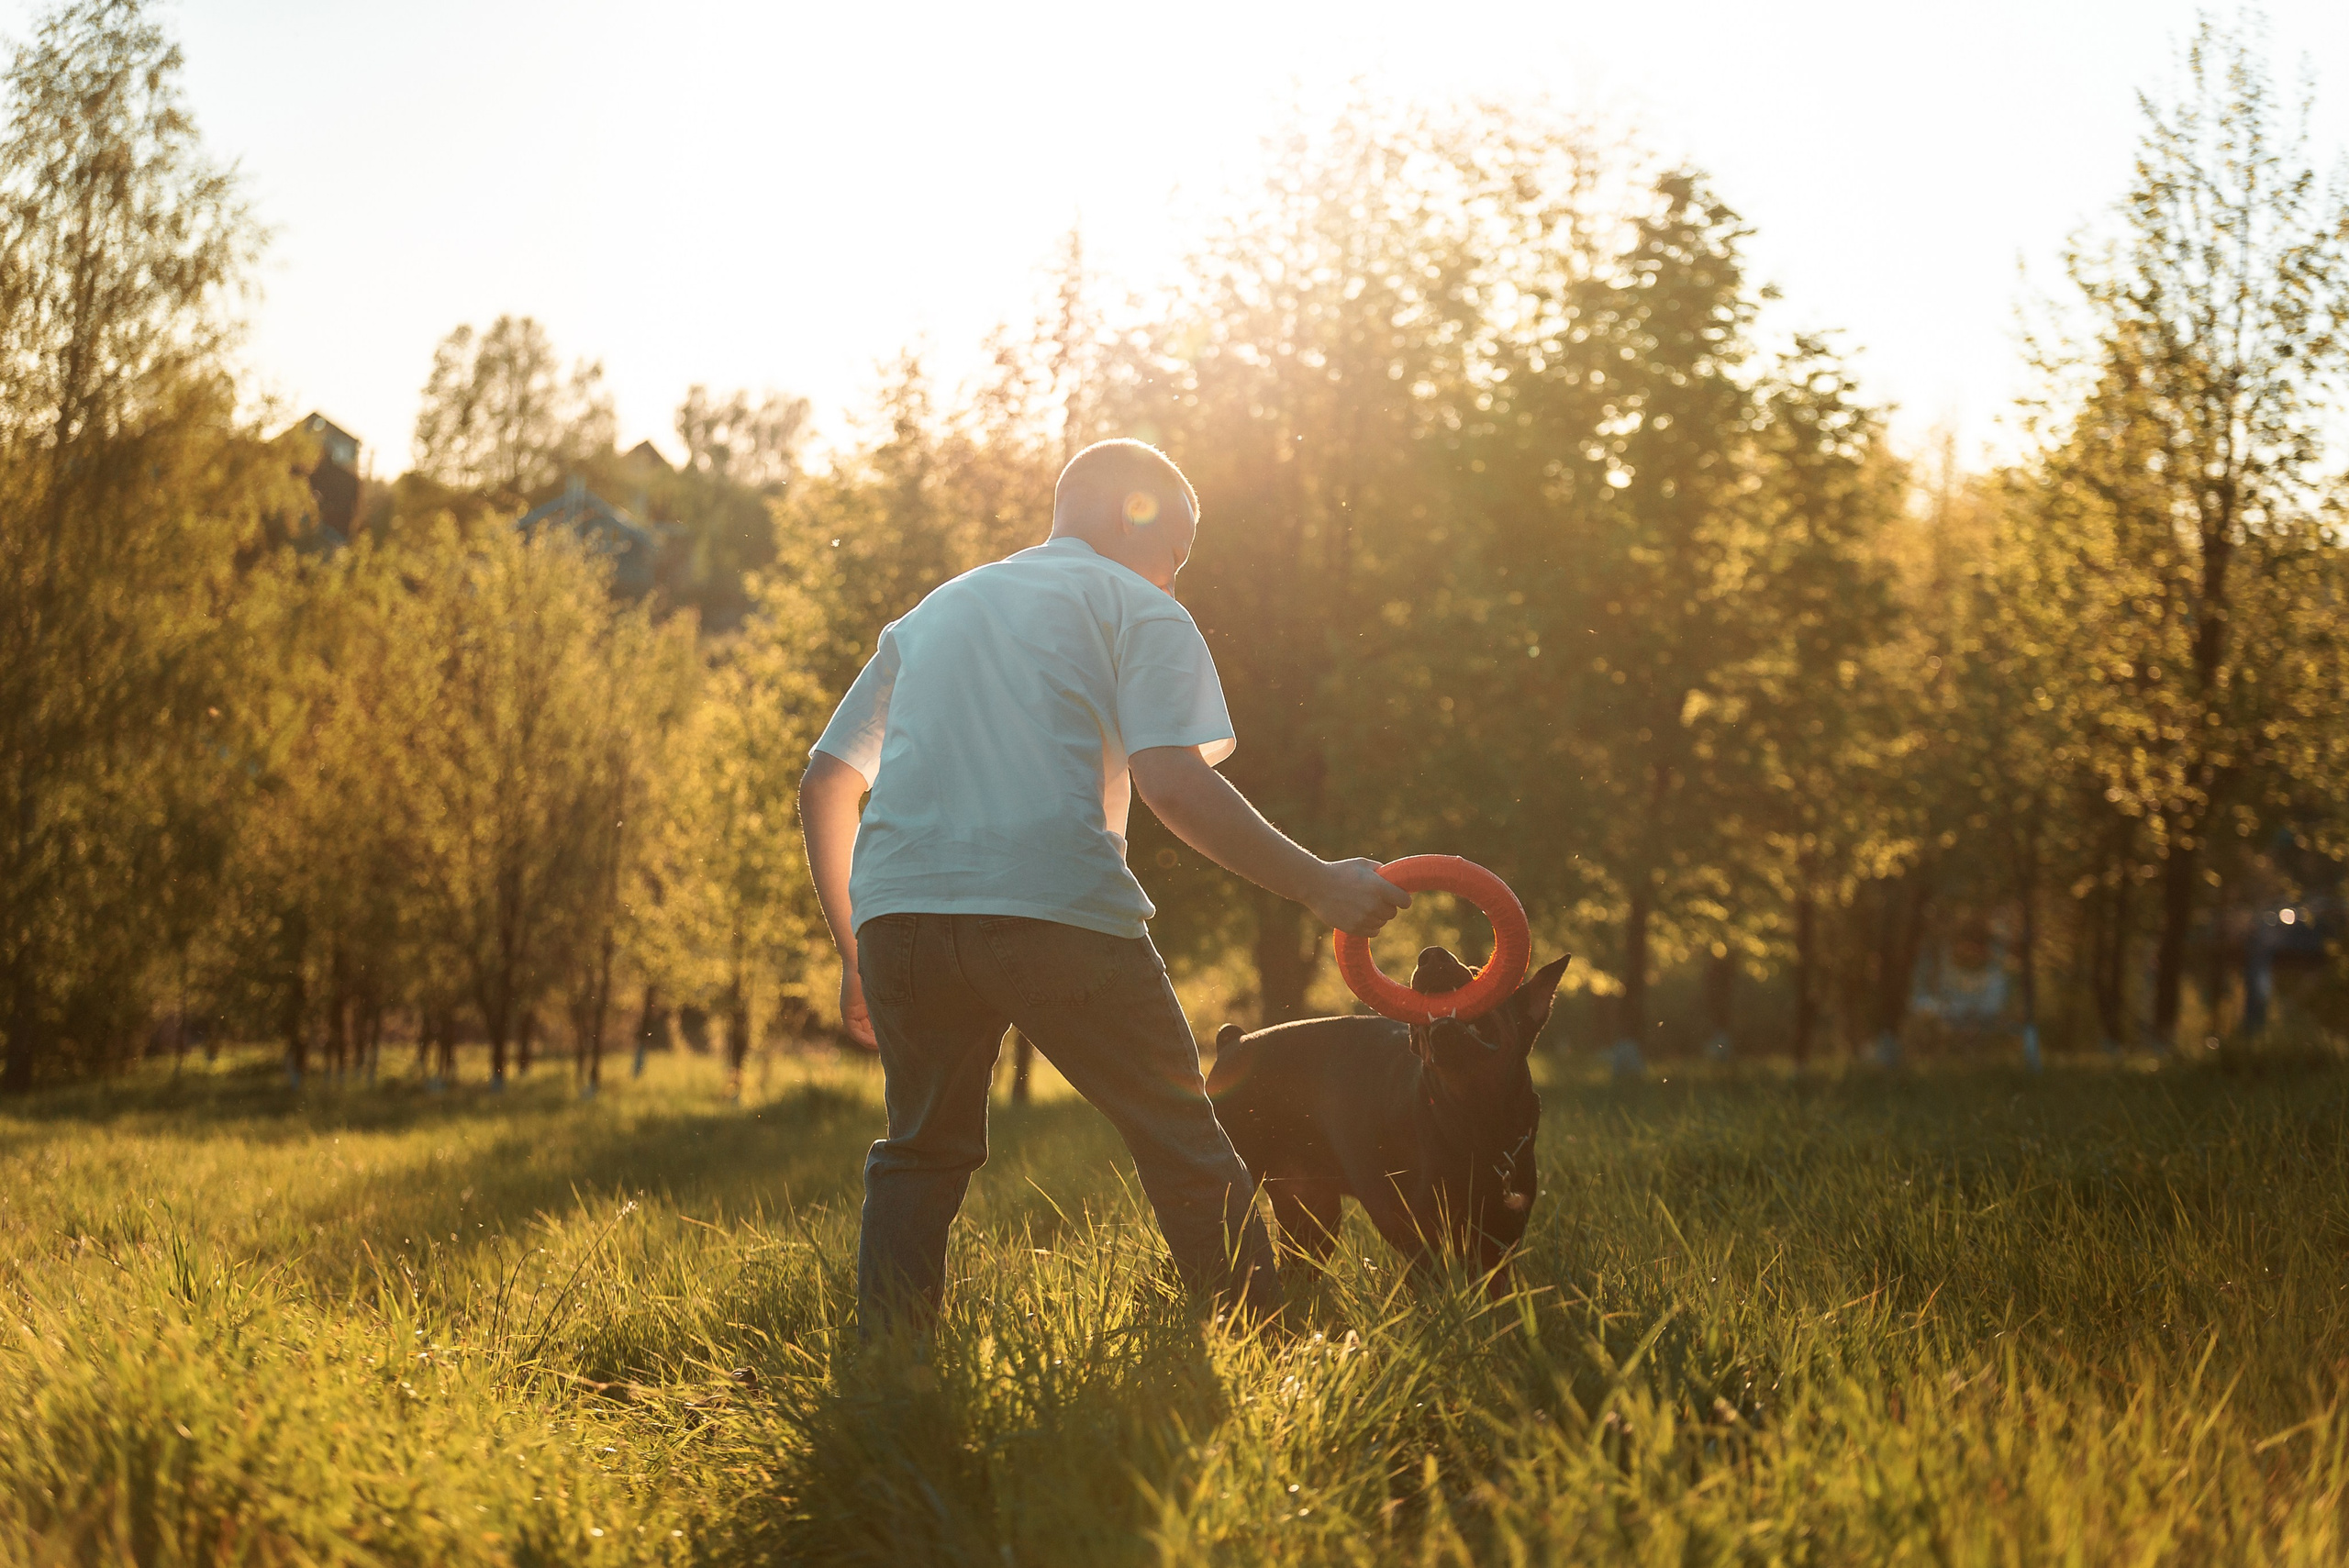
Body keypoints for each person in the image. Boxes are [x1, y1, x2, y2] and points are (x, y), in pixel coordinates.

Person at [799, 438, 1408, 1332]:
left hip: (902, 917)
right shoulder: (1137, 607)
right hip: (1055, 909)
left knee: (918, 1153)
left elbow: (826, 780)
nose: (1177, 579)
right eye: (1180, 553)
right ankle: (1261, 1349)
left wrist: (858, 946)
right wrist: (1318, 884)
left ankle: (891, 1371)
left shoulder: (932, 614)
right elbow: (1172, 782)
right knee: (1185, 1140)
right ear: (1141, 517)